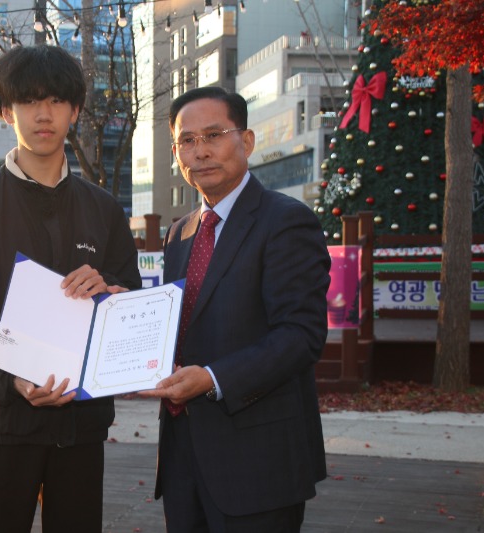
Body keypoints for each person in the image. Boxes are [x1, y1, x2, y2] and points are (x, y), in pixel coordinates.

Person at [0, 45, 142, 533]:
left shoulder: (104, 210)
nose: (43, 114)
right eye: (28, 101)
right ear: (5, 111)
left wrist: (110, 293)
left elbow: (129, 304)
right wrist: (11, 381)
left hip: (80, 428)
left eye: (56, 100)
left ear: (75, 110)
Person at [139, 86, 331, 532]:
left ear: (246, 141)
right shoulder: (180, 233)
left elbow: (300, 336)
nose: (201, 151)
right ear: (176, 153)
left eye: (214, 135)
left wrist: (213, 378)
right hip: (184, 457)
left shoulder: (286, 221)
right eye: (187, 140)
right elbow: (180, 325)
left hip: (259, 461)